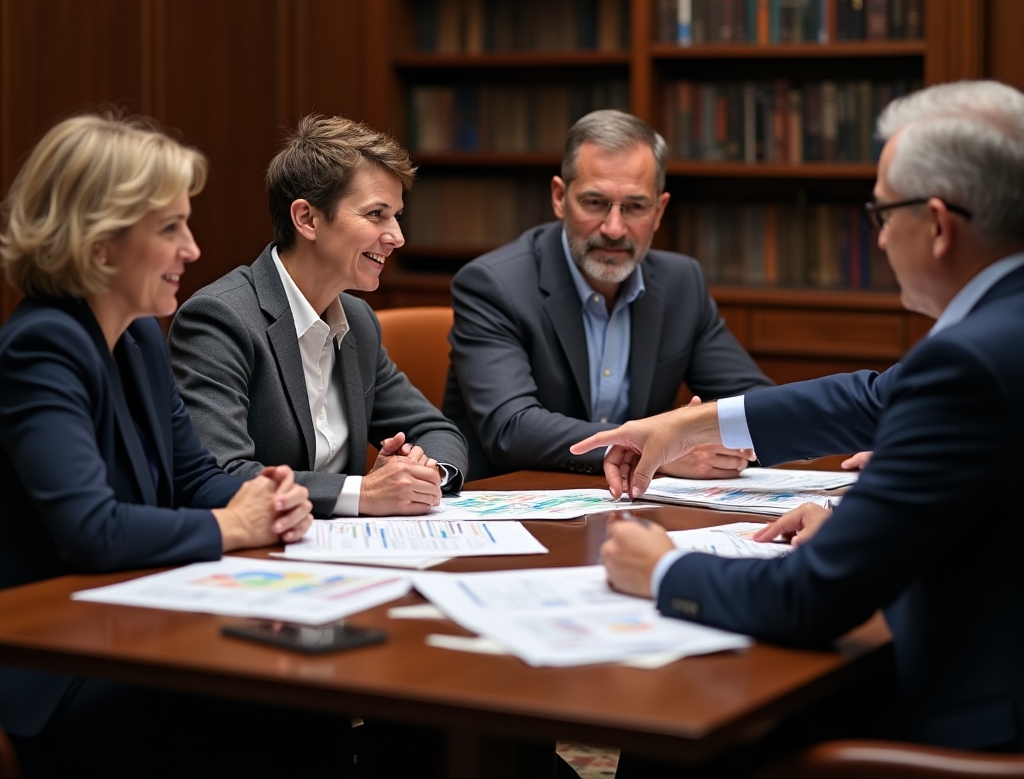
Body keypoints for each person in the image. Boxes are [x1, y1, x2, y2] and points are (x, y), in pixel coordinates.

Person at [574, 81, 1024, 757]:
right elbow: (878, 401)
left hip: (973, 724)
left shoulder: (969, 361)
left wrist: (662, 569)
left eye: (881, 212)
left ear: (936, 225)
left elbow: (814, 600)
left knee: (688, 728)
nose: (876, 238)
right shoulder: (999, 328)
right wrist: (689, 429)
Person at [0, 114, 357, 778]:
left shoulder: (136, 336)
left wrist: (267, 501)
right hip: (56, 656)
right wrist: (233, 523)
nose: (193, 250)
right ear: (100, 244)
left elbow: (194, 476)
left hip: (135, 618)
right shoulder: (41, 346)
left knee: (315, 693)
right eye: (170, 229)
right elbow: (91, 530)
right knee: (281, 705)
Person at [442, 109, 772, 480]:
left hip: (634, 507)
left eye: (634, 207)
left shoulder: (682, 283)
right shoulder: (494, 284)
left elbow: (756, 402)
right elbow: (512, 427)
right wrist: (654, 447)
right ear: (559, 197)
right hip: (519, 504)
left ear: (659, 210)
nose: (614, 228)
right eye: (595, 203)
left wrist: (723, 435)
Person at [169, 115, 469, 519]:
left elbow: (438, 431)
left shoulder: (358, 321)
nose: (397, 236)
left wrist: (421, 473)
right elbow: (220, 474)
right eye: (377, 214)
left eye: (397, 215)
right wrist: (360, 493)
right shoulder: (220, 319)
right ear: (307, 219)